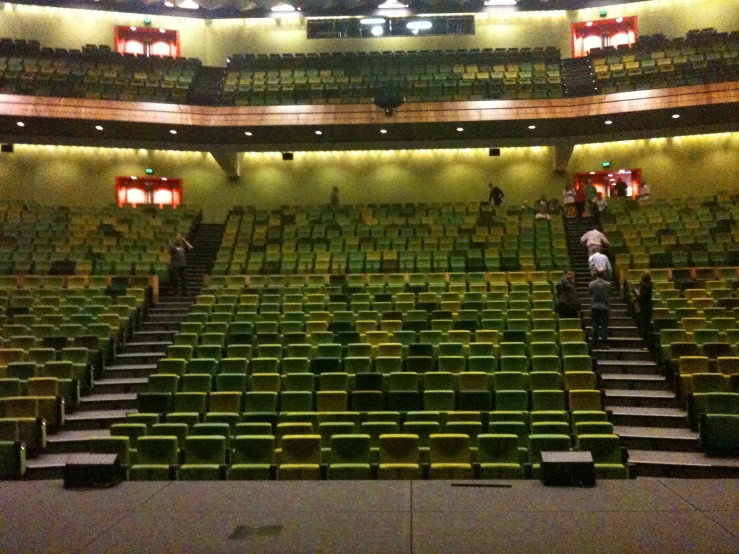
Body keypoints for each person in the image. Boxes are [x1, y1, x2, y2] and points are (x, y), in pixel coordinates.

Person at [589, 269, 611, 348]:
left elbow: (590, 293)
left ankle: (594, 342)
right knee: (604, 325)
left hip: (595, 306)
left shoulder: (591, 284)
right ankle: (604, 343)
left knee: (595, 325)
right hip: (605, 306)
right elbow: (609, 294)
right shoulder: (608, 284)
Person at [632, 271, 653, 339]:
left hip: (644, 307)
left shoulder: (644, 286)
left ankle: (645, 341)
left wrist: (635, 293)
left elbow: (641, 297)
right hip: (648, 307)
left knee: (643, 324)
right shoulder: (650, 284)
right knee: (646, 324)